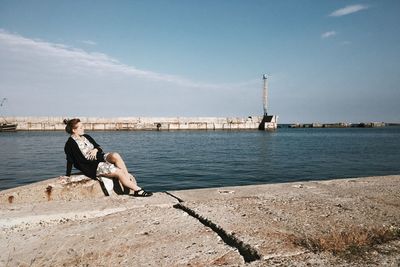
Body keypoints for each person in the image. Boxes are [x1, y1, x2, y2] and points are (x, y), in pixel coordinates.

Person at [63, 118, 152, 197]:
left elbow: (99, 147)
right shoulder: (69, 144)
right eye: (81, 127)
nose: (83, 128)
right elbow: (70, 160)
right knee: (119, 172)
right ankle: (138, 190)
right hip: (92, 166)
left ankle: (127, 180)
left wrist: (95, 150)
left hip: (100, 158)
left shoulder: (86, 137)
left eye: (83, 126)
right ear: (74, 130)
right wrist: (67, 175)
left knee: (115, 155)